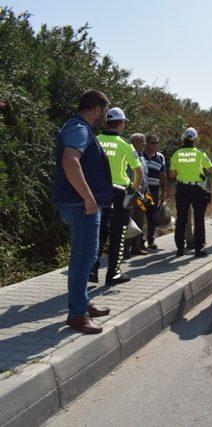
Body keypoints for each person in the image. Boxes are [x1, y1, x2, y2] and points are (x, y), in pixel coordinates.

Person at [51, 89, 112, 334]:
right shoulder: (79, 129)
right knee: (83, 258)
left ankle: (83, 303)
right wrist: (88, 198)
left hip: (76, 203)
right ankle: (77, 314)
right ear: (97, 108)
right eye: (105, 110)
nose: (105, 115)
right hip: (81, 205)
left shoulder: (75, 127)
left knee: (85, 257)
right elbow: (70, 161)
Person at [90, 107, 143, 286]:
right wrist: (133, 190)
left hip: (97, 192)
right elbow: (139, 172)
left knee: (98, 232)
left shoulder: (95, 140)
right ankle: (113, 274)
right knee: (118, 235)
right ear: (120, 123)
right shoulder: (124, 144)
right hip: (119, 193)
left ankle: (92, 271)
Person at [168, 127, 212, 257]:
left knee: (181, 219)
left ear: (184, 138)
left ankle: (180, 250)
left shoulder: (177, 154)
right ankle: (198, 250)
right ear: (195, 139)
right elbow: (210, 169)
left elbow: (172, 174)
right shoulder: (200, 153)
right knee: (199, 219)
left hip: (182, 189)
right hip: (197, 189)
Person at [143, 133, 168, 250]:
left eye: (157, 143)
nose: (155, 145)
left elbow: (162, 175)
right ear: (146, 143)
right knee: (139, 216)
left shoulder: (160, 157)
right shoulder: (139, 155)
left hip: (154, 190)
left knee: (152, 216)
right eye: (153, 142)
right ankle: (137, 243)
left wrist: (163, 191)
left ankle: (150, 240)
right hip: (140, 191)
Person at [126, 133, 149, 257]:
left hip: (141, 193)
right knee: (127, 221)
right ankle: (124, 250)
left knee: (139, 220)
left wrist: (147, 190)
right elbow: (126, 173)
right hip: (130, 193)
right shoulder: (127, 153)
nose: (145, 144)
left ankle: (137, 247)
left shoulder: (141, 156)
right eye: (143, 141)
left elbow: (144, 174)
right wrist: (134, 185)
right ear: (136, 142)